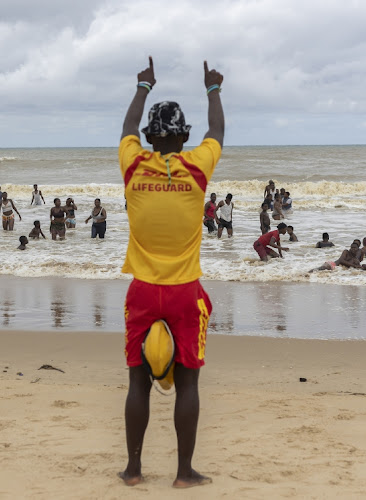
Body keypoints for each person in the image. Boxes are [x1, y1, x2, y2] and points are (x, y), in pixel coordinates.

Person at [117, 57, 224, 488]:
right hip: (184, 293)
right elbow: (217, 131)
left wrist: (143, 86)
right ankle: (183, 474)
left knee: (138, 382)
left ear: (148, 138)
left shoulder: (133, 165)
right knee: (189, 382)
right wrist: (213, 89)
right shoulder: (197, 167)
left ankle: (133, 469)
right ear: (183, 136)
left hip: (142, 291)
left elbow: (126, 128)